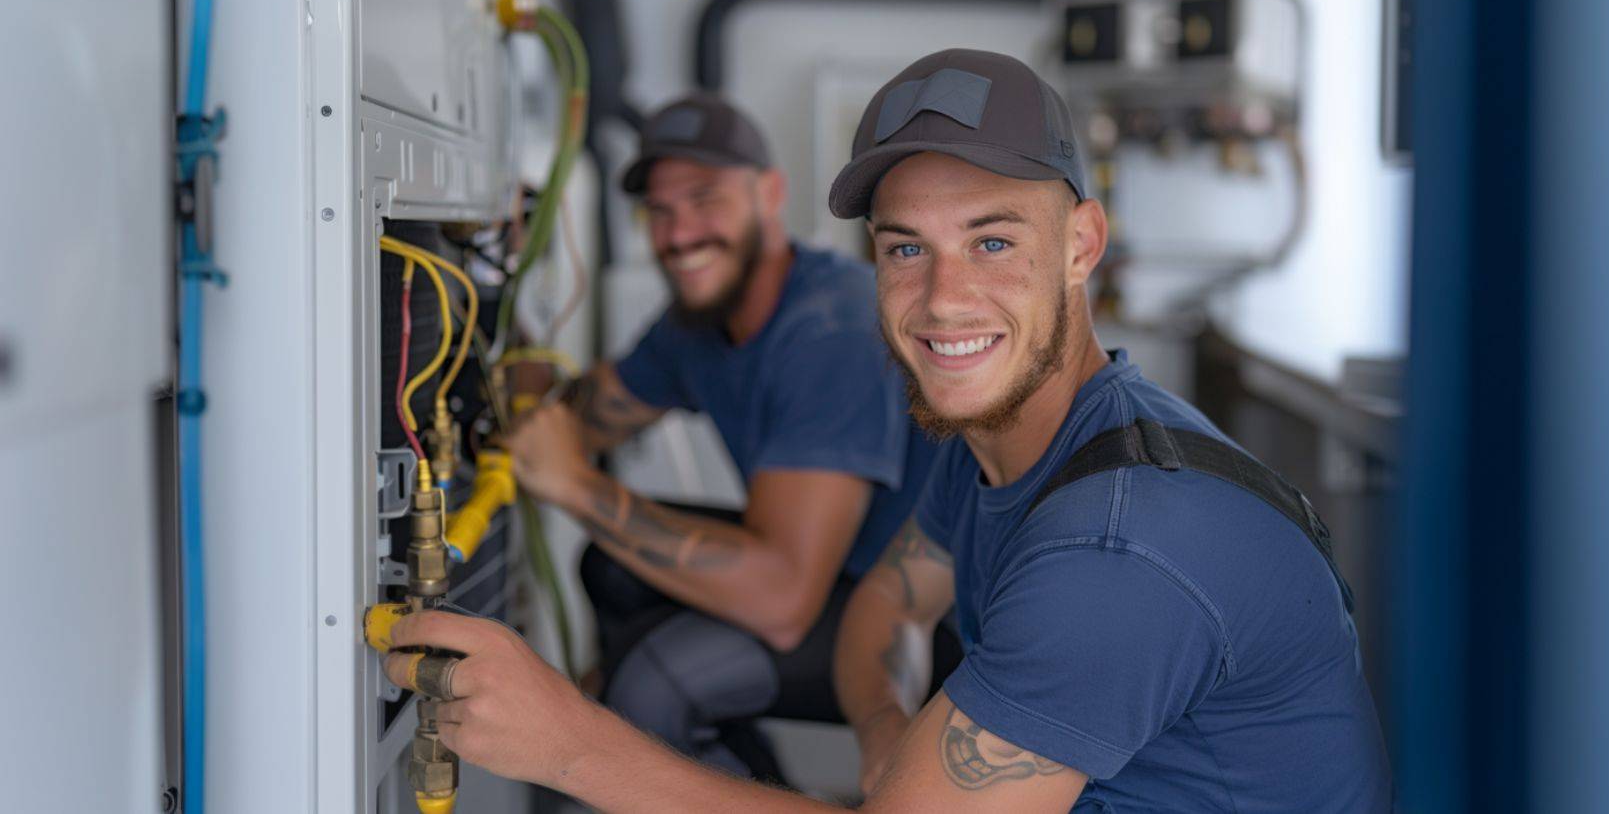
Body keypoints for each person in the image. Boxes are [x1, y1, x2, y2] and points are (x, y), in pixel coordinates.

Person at [376, 50, 1392, 812]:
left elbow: (795, 603)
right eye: (906, 249)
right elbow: (881, 610)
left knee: (645, 692)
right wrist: (882, 736)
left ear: (1080, 244)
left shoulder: (1121, 551)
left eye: (991, 241)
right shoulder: (1011, 444)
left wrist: (568, 747)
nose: (943, 299)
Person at [500, 91, 952, 777]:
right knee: (612, 569)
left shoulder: (829, 329)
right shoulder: (698, 319)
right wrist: (521, 352)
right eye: (660, 210)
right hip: (834, 578)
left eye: (706, 200)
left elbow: (782, 600)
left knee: (654, 681)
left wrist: (577, 487)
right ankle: (750, 781)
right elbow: (588, 418)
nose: (680, 235)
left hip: (930, 620)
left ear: (769, 193)